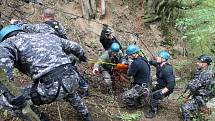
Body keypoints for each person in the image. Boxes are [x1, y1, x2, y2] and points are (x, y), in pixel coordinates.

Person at [0, 24, 93, 121]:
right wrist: (82, 56)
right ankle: (86, 115)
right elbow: (76, 47)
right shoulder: (46, 36)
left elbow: (3, 70)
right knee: (69, 91)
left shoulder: (8, 44)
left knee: (4, 102)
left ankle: (41, 118)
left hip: (52, 86)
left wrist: (12, 96)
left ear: (4, 37)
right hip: (73, 78)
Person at [180, 54, 213, 121]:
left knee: (185, 108)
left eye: (199, 62)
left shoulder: (207, 74)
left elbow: (193, 86)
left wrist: (187, 94)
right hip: (197, 94)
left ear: (205, 64)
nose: (197, 63)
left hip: (202, 97)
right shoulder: (200, 71)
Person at [145, 50, 175, 118]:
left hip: (167, 88)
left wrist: (161, 92)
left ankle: (153, 111)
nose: (157, 57)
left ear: (164, 59)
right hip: (160, 85)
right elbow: (152, 62)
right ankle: (153, 102)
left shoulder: (167, 70)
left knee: (155, 95)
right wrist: (148, 61)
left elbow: (171, 85)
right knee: (150, 92)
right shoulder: (159, 64)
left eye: (159, 56)